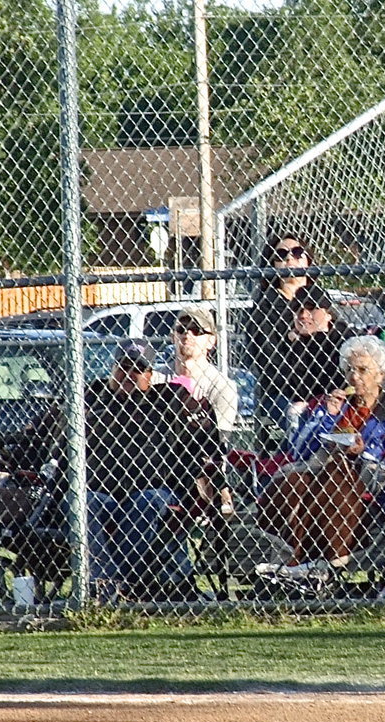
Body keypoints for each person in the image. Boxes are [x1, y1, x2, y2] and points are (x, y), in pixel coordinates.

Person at [75, 339, 222, 601]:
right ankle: (106, 588)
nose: (129, 375)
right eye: (123, 367)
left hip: (152, 492)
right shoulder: (91, 400)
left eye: (137, 369)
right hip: (101, 493)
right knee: (80, 503)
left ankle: (121, 585)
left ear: (150, 375)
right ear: (112, 369)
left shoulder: (168, 401)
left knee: (149, 501)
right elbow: (45, 431)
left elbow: (208, 441)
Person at [259, 336, 385, 570]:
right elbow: (298, 450)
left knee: (335, 477)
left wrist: (364, 450)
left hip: (370, 477)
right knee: (291, 482)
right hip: (320, 471)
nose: (354, 377)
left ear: (381, 374)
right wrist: (328, 416)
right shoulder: (336, 406)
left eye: (363, 369)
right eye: (349, 370)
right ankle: (296, 562)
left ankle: (318, 563)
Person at [246, 234, 330, 432]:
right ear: (272, 265)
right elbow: (269, 361)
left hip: (325, 388)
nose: (290, 258)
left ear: (308, 259)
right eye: (281, 254)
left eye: (297, 252)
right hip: (283, 393)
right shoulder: (265, 307)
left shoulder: (322, 300)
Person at [153, 307, 238, 437]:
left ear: (211, 341)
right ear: (173, 337)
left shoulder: (222, 386)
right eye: (181, 329)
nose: (187, 335)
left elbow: (220, 439)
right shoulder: (155, 378)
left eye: (197, 330)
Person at [275, 286, 349, 433]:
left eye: (311, 309)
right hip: (310, 402)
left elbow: (336, 381)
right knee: (295, 410)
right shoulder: (290, 342)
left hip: (342, 401)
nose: (303, 315)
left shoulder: (344, 339)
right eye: (298, 310)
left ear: (328, 314)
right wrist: (297, 346)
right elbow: (301, 389)